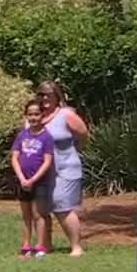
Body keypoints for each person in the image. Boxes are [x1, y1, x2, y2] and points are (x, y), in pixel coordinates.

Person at [35, 80, 90, 256]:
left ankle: (76, 247)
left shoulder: (66, 114)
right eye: (41, 94)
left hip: (66, 169)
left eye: (48, 94)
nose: (44, 98)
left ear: (56, 96)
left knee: (62, 207)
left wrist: (74, 151)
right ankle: (46, 245)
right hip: (43, 171)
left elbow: (83, 134)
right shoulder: (35, 116)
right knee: (42, 209)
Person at [10, 98, 56, 258]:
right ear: (26, 116)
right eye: (30, 114)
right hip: (23, 181)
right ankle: (26, 245)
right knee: (26, 215)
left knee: (38, 214)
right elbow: (15, 157)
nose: (33, 117)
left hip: (39, 182)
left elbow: (47, 161)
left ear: (42, 115)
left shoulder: (47, 137)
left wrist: (33, 179)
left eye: (36, 114)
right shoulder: (22, 135)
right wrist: (22, 178)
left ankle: (40, 246)